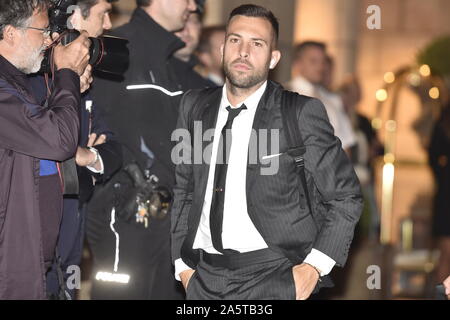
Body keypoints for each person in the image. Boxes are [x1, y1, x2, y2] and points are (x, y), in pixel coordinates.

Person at [171, 4, 363, 300]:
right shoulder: (194, 106)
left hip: (276, 276)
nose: (244, 51)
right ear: (222, 49)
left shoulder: (299, 113)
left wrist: (313, 268)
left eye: (256, 43)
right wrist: (182, 265)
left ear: (273, 58)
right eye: (235, 40)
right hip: (203, 277)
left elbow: (345, 197)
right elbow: (183, 188)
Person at [86, 0, 197, 299]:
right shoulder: (115, 47)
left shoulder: (170, 61)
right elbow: (94, 126)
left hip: (168, 217)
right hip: (126, 211)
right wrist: (126, 181)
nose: (192, 5)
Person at [28, 0, 123, 299]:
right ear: (73, 17)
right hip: (32, 241)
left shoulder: (90, 81)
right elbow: (41, 147)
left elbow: (115, 150)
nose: (108, 24)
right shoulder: (29, 80)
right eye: (102, 13)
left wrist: (87, 156)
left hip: (73, 233)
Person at [0, 0, 91, 299]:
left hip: (27, 261)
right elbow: (58, 141)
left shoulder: (16, 84)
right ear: (11, 33)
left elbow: (41, 138)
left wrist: (69, 86)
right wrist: (68, 73)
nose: (51, 38)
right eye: (44, 30)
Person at [288, 42, 356, 155]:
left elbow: (345, 143)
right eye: (313, 61)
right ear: (298, 64)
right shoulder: (285, 96)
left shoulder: (333, 100)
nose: (320, 67)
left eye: (323, 62)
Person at [428, 105, 450, 284]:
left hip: (445, 190)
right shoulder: (444, 118)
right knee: (446, 251)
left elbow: (433, 156)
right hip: (446, 194)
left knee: (445, 252)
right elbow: (433, 156)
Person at [172, 2, 216, 90]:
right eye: (180, 19)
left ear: (200, 27)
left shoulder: (208, 88)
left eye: (192, 21)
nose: (185, 30)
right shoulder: (150, 76)